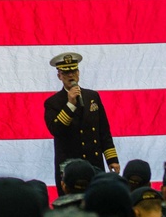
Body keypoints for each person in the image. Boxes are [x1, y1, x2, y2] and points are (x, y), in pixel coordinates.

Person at [43, 52, 119, 195]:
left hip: (94, 163)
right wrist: (70, 104)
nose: (70, 75)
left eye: (73, 71)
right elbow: (56, 130)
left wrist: (111, 159)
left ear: (78, 73)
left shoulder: (92, 97)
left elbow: (103, 130)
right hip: (70, 166)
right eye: (66, 72)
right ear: (59, 76)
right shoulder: (53, 102)